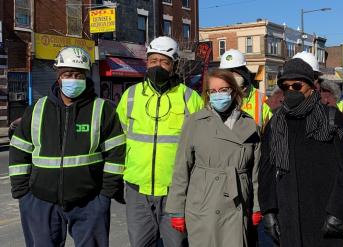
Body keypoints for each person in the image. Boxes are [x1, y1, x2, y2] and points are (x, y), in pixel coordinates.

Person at [9, 46, 125, 246]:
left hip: (89, 202)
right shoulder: (37, 109)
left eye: (78, 75)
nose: (73, 79)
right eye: (67, 74)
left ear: (87, 76)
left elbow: (116, 154)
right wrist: (22, 194)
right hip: (40, 201)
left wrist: (105, 195)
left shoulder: (102, 109)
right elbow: (19, 150)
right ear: (58, 76)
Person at [116, 36, 203, 247]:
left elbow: (201, 146)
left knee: (176, 243)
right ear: (147, 62)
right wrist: (116, 178)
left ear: (174, 65)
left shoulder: (190, 98)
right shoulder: (131, 96)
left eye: (164, 62)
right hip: (138, 189)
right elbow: (118, 141)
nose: (158, 66)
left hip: (175, 191)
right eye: (153, 60)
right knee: (140, 243)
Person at [259, 58, 343, 247]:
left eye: (297, 85)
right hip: (288, 217)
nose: (290, 90)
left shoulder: (333, 119)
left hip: (325, 217)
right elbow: (266, 171)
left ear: (311, 86)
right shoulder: (276, 123)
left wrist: (337, 210)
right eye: (285, 87)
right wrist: (268, 211)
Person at [165, 69, 261, 246]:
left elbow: (255, 172)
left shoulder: (249, 125)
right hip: (204, 203)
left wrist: (256, 207)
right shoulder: (195, 122)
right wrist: (177, 210)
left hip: (238, 201)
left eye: (224, 90)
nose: (219, 95)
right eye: (213, 91)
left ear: (233, 90)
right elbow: (181, 169)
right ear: (207, 94)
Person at [220, 49, 272, 128]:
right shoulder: (216, 97)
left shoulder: (262, 100)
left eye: (233, 72)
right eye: (226, 73)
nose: (229, 77)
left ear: (243, 73)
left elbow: (271, 132)